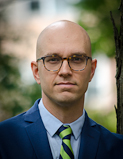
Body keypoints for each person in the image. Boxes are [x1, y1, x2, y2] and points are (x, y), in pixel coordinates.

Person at [0, 20, 123, 159]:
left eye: (77, 59)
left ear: (92, 70)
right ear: (36, 72)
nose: (65, 71)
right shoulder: (3, 140)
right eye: (53, 59)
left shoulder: (118, 149)